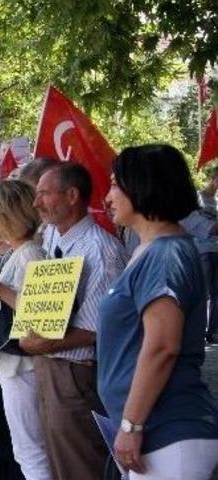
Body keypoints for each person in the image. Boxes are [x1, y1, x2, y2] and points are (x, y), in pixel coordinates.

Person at [99, 144, 218, 479]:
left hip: (168, 430)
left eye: (114, 185)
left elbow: (162, 346)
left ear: (142, 185)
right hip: (156, 434)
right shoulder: (152, 250)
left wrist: (131, 425)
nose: (107, 197)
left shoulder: (166, 254)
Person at [24, 162, 127, 480]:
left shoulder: (102, 251)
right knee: (59, 462)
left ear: (71, 196)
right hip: (49, 368)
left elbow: (106, 327)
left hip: (76, 375)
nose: (36, 202)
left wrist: (44, 342)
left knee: (81, 464)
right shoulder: (52, 234)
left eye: (43, 194)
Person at [0, 180, 51, 480]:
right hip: (13, 364)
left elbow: (40, 312)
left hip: (24, 366)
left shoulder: (32, 254)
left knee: (31, 450)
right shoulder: (22, 252)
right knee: (27, 449)